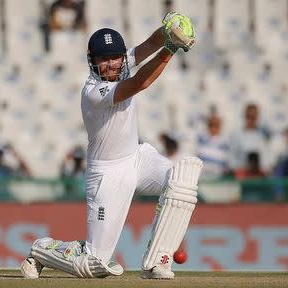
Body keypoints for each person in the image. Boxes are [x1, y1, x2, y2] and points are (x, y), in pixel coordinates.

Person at [21, 12, 202, 279]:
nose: (110, 65)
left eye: (115, 57)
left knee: (181, 179)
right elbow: (140, 82)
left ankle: (157, 262)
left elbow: (147, 46)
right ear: (92, 61)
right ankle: (41, 250)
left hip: (137, 159)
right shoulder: (94, 92)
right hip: (107, 175)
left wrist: (167, 31)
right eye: (103, 59)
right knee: (93, 262)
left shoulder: (121, 63)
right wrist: (171, 48)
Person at [229, 103, 270, 172]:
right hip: (242, 175)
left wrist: (264, 169)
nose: (251, 119)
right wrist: (239, 168)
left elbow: (267, 158)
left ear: (257, 117)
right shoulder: (237, 135)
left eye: (254, 117)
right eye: (249, 116)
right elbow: (231, 157)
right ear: (245, 116)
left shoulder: (264, 136)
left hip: (260, 176)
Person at [196, 113, 230, 180]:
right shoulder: (200, 140)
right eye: (211, 125)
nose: (213, 127)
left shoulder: (226, 142)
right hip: (202, 179)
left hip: (219, 179)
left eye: (216, 125)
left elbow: (227, 164)